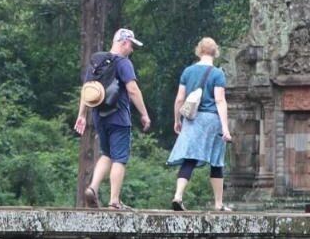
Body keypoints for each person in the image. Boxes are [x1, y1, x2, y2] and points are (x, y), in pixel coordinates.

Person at [74, 28, 152, 210]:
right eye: (131, 45)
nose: (132, 50)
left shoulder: (97, 61)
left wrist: (82, 115)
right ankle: (114, 201)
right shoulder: (123, 62)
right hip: (118, 116)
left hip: (99, 116)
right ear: (124, 42)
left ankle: (92, 188)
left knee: (107, 154)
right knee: (119, 158)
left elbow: (87, 90)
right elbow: (132, 89)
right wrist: (144, 114)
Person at [166, 37, 233, 211]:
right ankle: (218, 204)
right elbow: (220, 101)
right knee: (216, 161)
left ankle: (178, 196)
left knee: (189, 158)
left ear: (199, 51)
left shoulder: (188, 71)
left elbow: (180, 98)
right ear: (215, 52)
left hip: (191, 119)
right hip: (211, 120)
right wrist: (225, 128)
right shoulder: (218, 73)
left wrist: (177, 120)